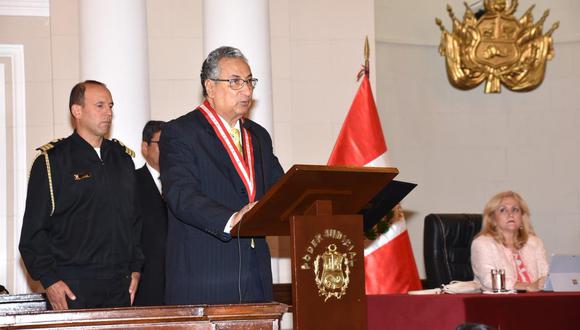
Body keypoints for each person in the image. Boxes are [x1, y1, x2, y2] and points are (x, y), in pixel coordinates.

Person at [160, 46, 284, 305]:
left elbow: (279, 189)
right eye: (236, 82)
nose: (247, 91)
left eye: (250, 81)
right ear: (210, 87)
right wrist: (231, 219)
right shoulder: (181, 132)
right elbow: (180, 194)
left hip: (256, 275)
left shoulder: (259, 136)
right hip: (206, 275)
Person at [19, 80, 144, 310]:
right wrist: (50, 280)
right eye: (100, 105)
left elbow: (135, 222)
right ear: (77, 111)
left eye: (110, 106)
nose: (108, 112)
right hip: (72, 287)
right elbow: (33, 233)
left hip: (120, 285)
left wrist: (135, 269)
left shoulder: (122, 159)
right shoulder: (52, 160)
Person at [471, 191, 548, 292]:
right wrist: (527, 286)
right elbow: (489, 280)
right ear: (493, 219)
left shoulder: (534, 242)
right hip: (499, 302)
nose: (510, 214)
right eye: (503, 210)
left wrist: (544, 282)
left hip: (535, 300)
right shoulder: (482, 243)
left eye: (515, 210)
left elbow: (546, 274)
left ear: (522, 217)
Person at [133, 120, 168, 306]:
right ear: (145, 147)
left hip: (179, 285)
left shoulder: (183, 185)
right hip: (145, 286)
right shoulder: (131, 183)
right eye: (163, 144)